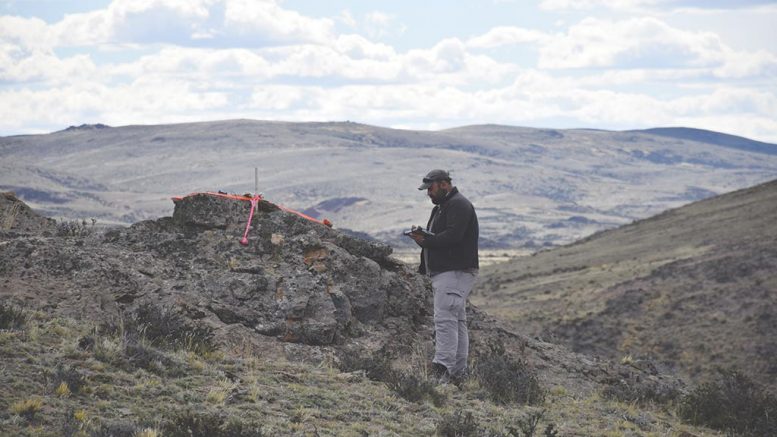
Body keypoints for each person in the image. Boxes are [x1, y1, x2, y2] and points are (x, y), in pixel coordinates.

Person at [408, 169, 479, 384]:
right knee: (456, 320)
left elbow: (453, 236)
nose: (428, 193)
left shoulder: (458, 204)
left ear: (443, 184)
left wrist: (425, 241)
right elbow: (445, 236)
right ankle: (458, 371)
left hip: (453, 272)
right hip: (450, 272)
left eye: (430, 188)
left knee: (445, 319)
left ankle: (443, 370)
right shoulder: (444, 206)